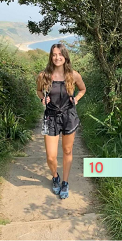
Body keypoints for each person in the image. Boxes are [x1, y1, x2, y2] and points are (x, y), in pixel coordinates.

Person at [36, 43, 86, 199]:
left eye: (60, 54)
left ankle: (65, 182)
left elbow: (83, 89)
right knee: (51, 156)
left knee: (67, 151)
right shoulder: (43, 75)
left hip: (68, 116)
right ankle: (55, 177)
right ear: (51, 57)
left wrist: (76, 98)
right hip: (50, 117)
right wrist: (43, 98)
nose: (57, 57)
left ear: (65, 56)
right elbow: (38, 91)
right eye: (54, 54)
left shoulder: (74, 75)